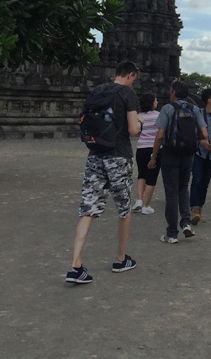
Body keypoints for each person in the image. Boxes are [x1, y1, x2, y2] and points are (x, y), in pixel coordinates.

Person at [66, 60, 141, 285]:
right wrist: (140, 123)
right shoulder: (127, 94)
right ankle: (120, 259)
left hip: (95, 154)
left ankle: (75, 265)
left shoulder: (97, 91)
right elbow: (133, 130)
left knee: (87, 207)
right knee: (123, 207)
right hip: (118, 155)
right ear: (130, 75)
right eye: (134, 79)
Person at [148, 80, 208, 244]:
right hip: (188, 154)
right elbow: (204, 132)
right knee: (183, 188)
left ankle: (172, 233)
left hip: (170, 153)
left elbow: (160, 135)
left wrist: (154, 157)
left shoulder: (168, 108)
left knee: (171, 192)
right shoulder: (194, 109)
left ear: (174, 92)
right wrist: (193, 140)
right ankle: (186, 223)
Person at [190, 88, 211, 225]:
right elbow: (191, 132)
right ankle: (193, 210)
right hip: (198, 152)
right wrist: (202, 141)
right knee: (197, 180)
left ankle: (199, 210)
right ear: (209, 100)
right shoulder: (198, 113)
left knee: (205, 183)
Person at [132, 92, 159, 215]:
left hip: (141, 147)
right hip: (154, 148)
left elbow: (136, 132)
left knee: (141, 174)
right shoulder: (158, 116)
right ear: (151, 103)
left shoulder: (138, 116)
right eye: (155, 100)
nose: (157, 102)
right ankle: (146, 206)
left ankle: (139, 200)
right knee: (151, 177)